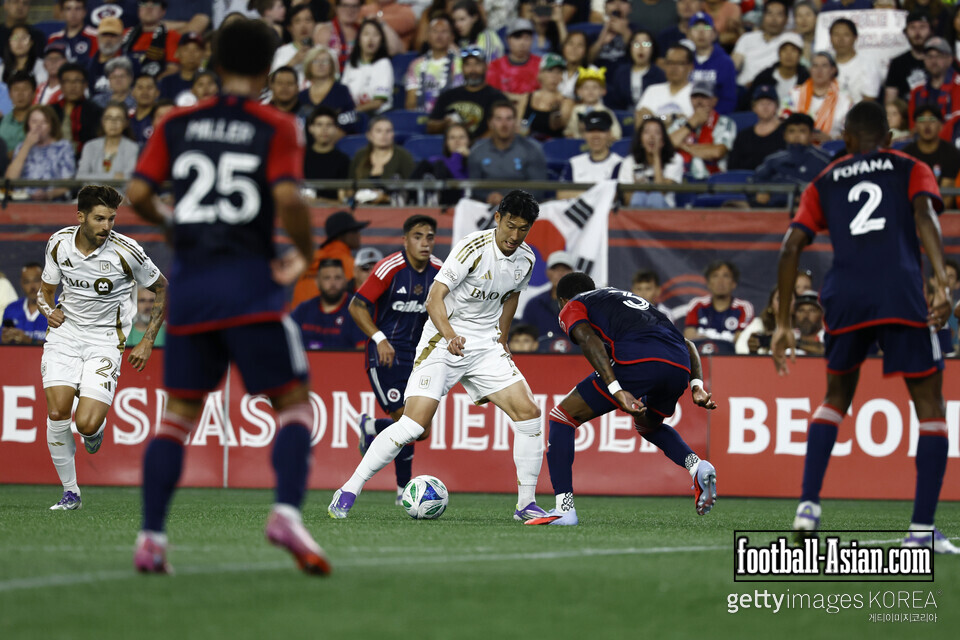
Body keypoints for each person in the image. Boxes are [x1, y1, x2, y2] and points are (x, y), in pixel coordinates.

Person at [126, 17, 331, 575]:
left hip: (191, 290)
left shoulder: (176, 122)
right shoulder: (278, 124)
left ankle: (151, 538)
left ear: (214, 63)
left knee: (176, 419)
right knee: (292, 404)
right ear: (268, 70)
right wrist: (305, 252)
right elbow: (288, 197)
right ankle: (285, 510)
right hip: (249, 287)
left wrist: (172, 227)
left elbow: (139, 193)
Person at [772, 100, 958, 554]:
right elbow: (924, 216)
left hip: (845, 295)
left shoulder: (824, 179)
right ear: (890, 139)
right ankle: (920, 532)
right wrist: (939, 280)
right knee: (930, 405)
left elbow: (790, 244)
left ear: (847, 141)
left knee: (835, 398)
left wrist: (782, 322)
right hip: (900, 292)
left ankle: (808, 506)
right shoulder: (910, 165)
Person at [328, 190, 551, 522]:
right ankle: (348, 489)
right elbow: (434, 299)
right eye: (511, 226)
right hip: (443, 340)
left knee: (530, 413)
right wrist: (450, 336)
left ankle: (525, 505)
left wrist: (501, 338)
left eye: (524, 229)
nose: (515, 236)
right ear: (498, 219)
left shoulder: (527, 258)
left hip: (485, 345)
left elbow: (511, 297)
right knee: (413, 426)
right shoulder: (471, 248)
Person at [525, 272, 718, 526]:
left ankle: (564, 508)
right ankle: (696, 466)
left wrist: (616, 389)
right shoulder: (629, 300)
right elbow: (688, 344)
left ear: (562, 300)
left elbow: (587, 338)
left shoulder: (574, 304)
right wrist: (696, 386)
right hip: (679, 365)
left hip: (637, 361)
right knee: (649, 425)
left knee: (562, 418)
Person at [37, 185, 166, 510]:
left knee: (87, 424)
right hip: (65, 336)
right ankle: (71, 492)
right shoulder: (59, 244)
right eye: (99, 218)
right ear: (80, 217)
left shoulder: (127, 252)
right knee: (56, 412)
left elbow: (163, 288)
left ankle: (95, 429)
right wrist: (48, 311)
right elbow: (44, 292)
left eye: (111, 218)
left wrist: (147, 340)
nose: (106, 226)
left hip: (106, 340)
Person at [348, 215, 442, 504]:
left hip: (419, 358)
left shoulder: (440, 271)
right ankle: (404, 491)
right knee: (407, 421)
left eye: (429, 237)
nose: (424, 243)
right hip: (385, 356)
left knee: (421, 430)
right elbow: (357, 306)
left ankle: (372, 428)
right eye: (417, 236)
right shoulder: (390, 267)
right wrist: (379, 339)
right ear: (405, 240)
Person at [467, 100, 547, 204]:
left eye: (509, 119)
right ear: (490, 123)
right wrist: (488, 196)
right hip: (486, 207)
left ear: (515, 122)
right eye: (499, 119)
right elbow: (474, 187)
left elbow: (538, 188)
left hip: (523, 208)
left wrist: (510, 199)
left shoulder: (532, 149)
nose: (504, 124)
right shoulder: (477, 151)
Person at [753, 112, 832, 208]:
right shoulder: (773, 160)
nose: (797, 135)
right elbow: (756, 180)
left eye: (802, 131)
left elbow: (831, 189)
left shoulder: (824, 160)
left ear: (811, 135)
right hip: (775, 211)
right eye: (791, 131)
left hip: (811, 211)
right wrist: (761, 191)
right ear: (785, 135)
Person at [292, 210, 369, 308]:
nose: (359, 235)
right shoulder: (351, 266)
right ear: (341, 235)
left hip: (297, 319)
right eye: (354, 231)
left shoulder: (311, 260)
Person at [426, 46, 506, 138]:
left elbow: (501, 129)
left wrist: (475, 146)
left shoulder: (497, 98)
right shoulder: (448, 96)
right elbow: (430, 127)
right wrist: (444, 124)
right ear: (462, 68)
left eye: (477, 64)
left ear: (485, 66)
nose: (472, 70)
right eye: (467, 65)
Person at [291, 258, 366, 350]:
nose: (332, 283)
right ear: (317, 282)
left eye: (337, 278)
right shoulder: (303, 310)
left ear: (345, 281)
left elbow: (363, 354)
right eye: (327, 278)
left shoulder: (357, 310)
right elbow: (285, 340)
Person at [667, 80, 736, 180]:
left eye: (704, 97)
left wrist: (681, 145)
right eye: (695, 97)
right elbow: (666, 145)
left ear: (714, 100)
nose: (699, 101)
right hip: (679, 179)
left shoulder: (725, 122)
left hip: (711, 180)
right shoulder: (681, 123)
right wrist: (691, 124)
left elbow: (717, 152)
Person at [5, 105, 75, 201]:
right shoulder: (21, 147)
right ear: (28, 124)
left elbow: (68, 184)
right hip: (22, 200)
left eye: (44, 122)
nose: (38, 126)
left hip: (53, 200)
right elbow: (10, 179)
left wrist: (48, 195)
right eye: (34, 122)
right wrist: (26, 146)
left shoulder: (63, 147)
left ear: (51, 125)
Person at [684, 260, 754, 351]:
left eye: (726, 276)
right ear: (708, 283)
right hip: (701, 359)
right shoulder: (697, 305)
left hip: (732, 360)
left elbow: (741, 340)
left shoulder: (744, 307)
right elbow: (689, 336)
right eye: (715, 276)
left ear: (734, 283)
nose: (720, 281)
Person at [346, 115, 416, 205]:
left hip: (393, 207)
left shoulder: (403, 156)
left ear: (393, 134)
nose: (384, 135)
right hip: (361, 206)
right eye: (379, 131)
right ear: (369, 135)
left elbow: (412, 187)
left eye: (388, 131)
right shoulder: (360, 155)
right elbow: (350, 185)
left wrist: (386, 197)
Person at [618, 115, 684, 208]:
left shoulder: (675, 159)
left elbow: (661, 192)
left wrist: (656, 157)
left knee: (655, 197)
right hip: (636, 212)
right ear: (640, 139)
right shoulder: (629, 161)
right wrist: (637, 187)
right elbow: (628, 201)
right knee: (638, 196)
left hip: (665, 213)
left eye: (657, 132)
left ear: (663, 140)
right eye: (647, 132)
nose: (652, 136)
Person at [786, 52, 852, 142]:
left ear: (833, 70)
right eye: (815, 66)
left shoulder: (845, 100)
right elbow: (782, 123)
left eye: (824, 66)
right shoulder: (794, 94)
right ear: (810, 70)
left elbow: (852, 135)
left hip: (832, 151)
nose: (819, 70)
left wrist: (831, 139)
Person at [904, 104, 960, 209]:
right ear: (915, 126)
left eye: (932, 120)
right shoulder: (906, 155)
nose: (927, 125)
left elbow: (947, 197)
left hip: (943, 213)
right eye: (921, 120)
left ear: (941, 125)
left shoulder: (952, 153)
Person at [404, 13, 463, 113]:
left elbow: (461, 98)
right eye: (435, 31)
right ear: (427, 36)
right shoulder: (416, 65)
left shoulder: (460, 64)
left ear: (452, 37)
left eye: (444, 31)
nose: (439, 36)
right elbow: (411, 102)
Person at [559, 110, 622, 198]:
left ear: (609, 134)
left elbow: (614, 196)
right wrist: (597, 194)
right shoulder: (574, 163)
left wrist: (579, 194)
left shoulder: (619, 163)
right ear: (584, 134)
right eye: (591, 131)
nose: (595, 136)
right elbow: (561, 194)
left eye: (600, 130)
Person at [520, 249, 573, 346]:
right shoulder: (534, 305)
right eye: (555, 269)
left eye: (565, 269)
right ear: (548, 272)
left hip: (574, 359)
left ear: (572, 273)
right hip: (540, 358)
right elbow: (524, 338)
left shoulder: (582, 305)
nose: (560, 274)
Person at [75, 101, 139, 182]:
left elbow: (129, 179)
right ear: (103, 122)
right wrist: (113, 176)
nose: (113, 123)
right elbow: (80, 177)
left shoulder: (132, 148)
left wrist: (93, 177)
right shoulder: (90, 146)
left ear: (126, 123)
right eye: (108, 118)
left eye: (118, 118)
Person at [687, 12, 737, 116]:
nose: (701, 33)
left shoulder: (725, 62)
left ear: (714, 34)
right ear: (689, 35)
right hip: (685, 114)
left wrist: (710, 117)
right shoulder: (684, 60)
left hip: (714, 118)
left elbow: (728, 99)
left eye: (706, 28)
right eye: (696, 28)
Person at [341, 18, 394, 114]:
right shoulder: (351, 64)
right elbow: (343, 96)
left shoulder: (383, 63)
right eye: (366, 34)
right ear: (359, 39)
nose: (370, 39)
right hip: (354, 115)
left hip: (377, 116)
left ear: (381, 40)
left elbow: (378, 102)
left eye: (375, 35)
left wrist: (353, 112)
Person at [732, 0, 789, 88]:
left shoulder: (789, 40)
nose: (774, 19)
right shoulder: (747, 38)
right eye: (769, 14)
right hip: (743, 88)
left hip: (771, 90)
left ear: (786, 20)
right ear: (763, 17)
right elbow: (733, 65)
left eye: (779, 15)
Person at [727, 85, 785, 171]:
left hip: (778, 182)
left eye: (769, 103)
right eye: (761, 104)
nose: (765, 107)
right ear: (754, 107)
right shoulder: (743, 136)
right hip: (746, 183)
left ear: (776, 106)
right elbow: (732, 167)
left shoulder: (787, 133)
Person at [52, 62, 104, 156]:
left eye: (77, 81)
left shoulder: (96, 112)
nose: (72, 86)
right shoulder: (51, 111)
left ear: (85, 85)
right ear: (61, 85)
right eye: (67, 81)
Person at [606, 30, 664, 112]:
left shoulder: (659, 74)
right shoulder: (621, 73)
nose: (641, 48)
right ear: (630, 48)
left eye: (646, 44)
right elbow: (614, 102)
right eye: (636, 44)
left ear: (653, 48)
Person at [485, 18, 541, 103]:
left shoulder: (541, 65)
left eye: (527, 38)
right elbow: (491, 95)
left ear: (532, 40)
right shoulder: (495, 66)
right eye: (517, 37)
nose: (522, 43)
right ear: (508, 39)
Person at [520, 53, 573, 140]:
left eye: (559, 72)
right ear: (541, 73)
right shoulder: (526, 98)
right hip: (528, 145)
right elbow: (518, 125)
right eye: (550, 71)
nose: (554, 76)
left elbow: (557, 126)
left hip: (553, 147)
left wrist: (555, 113)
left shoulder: (566, 102)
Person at [908, 37, 960, 127]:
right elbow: (914, 127)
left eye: (939, 56)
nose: (933, 61)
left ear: (950, 59)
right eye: (929, 56)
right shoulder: (917, 91)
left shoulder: (958, 86)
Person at [829, 18, 882, 105]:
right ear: (830, 38)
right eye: (836, 34)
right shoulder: (825, 63)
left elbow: (869, 99)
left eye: (846, 35)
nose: (841, 39)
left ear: (855, 38)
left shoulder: (868, 63)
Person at [123, 0, 181, 79]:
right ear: (138, 10)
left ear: (163, 12)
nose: (149, 8)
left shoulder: (171, 35)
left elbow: (173, 69)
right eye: (144, 3)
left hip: (154, 86)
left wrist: (151, 85)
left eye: (155, 4)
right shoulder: (125, 34)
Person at [303, 105, 349, 203]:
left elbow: (343, 201)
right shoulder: (300, 158)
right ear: (311, 128)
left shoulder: (343, 160)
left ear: (336, 129)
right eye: (319, 125)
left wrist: (318, 201)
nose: (324, 129)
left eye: (329, 125)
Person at [635, 44, 694, 121]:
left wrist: (654, 119)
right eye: (670, 63)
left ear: (690, 67)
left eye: (680, 63)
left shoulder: (697, 93)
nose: (674, 68)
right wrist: (669, 118)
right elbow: (640, 117)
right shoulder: (653, 90)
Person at [750, 33, 809, 109]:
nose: (789, 54)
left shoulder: (806, 79)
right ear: (779, 53)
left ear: (800, 55)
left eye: (793, 50)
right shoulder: (764, 77)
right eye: (784, 50)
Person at [885, 12, 933, 103]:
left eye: (922, 27)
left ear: (931, 31)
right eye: (912, 28)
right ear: (906, 32)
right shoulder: (897, 63)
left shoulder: (942, 61)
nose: (917, 32)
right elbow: (890, 102)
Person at [564, 65, 620, 140]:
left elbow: (616, 134)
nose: (590, 91)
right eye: (586, 88)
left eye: (595, 87)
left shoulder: (606, 111)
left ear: (603, 91)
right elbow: (569, 132)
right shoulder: (576, 110)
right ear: (579, 91)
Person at [0, 262, 47, 344]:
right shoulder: (11, 309)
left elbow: (65, 348)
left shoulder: (59, 308)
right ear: (21, 284)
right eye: (27, 282)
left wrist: (29, 341)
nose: (32, 287)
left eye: (36, 280)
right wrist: (4, 341)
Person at [270, 3, 316, 81]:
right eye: (297, 21)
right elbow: (270, 81)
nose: (303, 25)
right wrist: (293, 62)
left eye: (308, 20)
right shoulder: (281, 52)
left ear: (315, 24)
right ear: (289, 28)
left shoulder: (325, 52)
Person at [157, 31, 205, 103]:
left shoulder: (209, 82)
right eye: (186, 49)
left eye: (196, 49)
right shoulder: (167, 83)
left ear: (203, 54)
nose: (191, 54)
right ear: (177, 53)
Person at [47, 0, 98, 66]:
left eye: (78, 9)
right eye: (68, 9)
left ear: (84, 12)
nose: (73, 14)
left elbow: (93, 65)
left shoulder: (95, 36)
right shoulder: (54, 38)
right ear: (62, 13)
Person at [0, 69, 32, 154]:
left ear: (33, 93)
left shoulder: (43, 120)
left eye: (25, 89)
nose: (20, 94)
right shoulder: (2, 120)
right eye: (16, 89)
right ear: (9, 94)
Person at [129, 73, 160, 146]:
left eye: (149, 88)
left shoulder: (160, 118)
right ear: (132, 92)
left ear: (157, 93)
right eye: (140, 88)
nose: (145, 92)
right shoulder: (126, 118)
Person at [34, 41, 67, 105]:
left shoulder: (71, 89)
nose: (53, 62)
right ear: (44, 64)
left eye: (58, 58)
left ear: (66, 62)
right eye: (49, 59)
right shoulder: (38, 89)